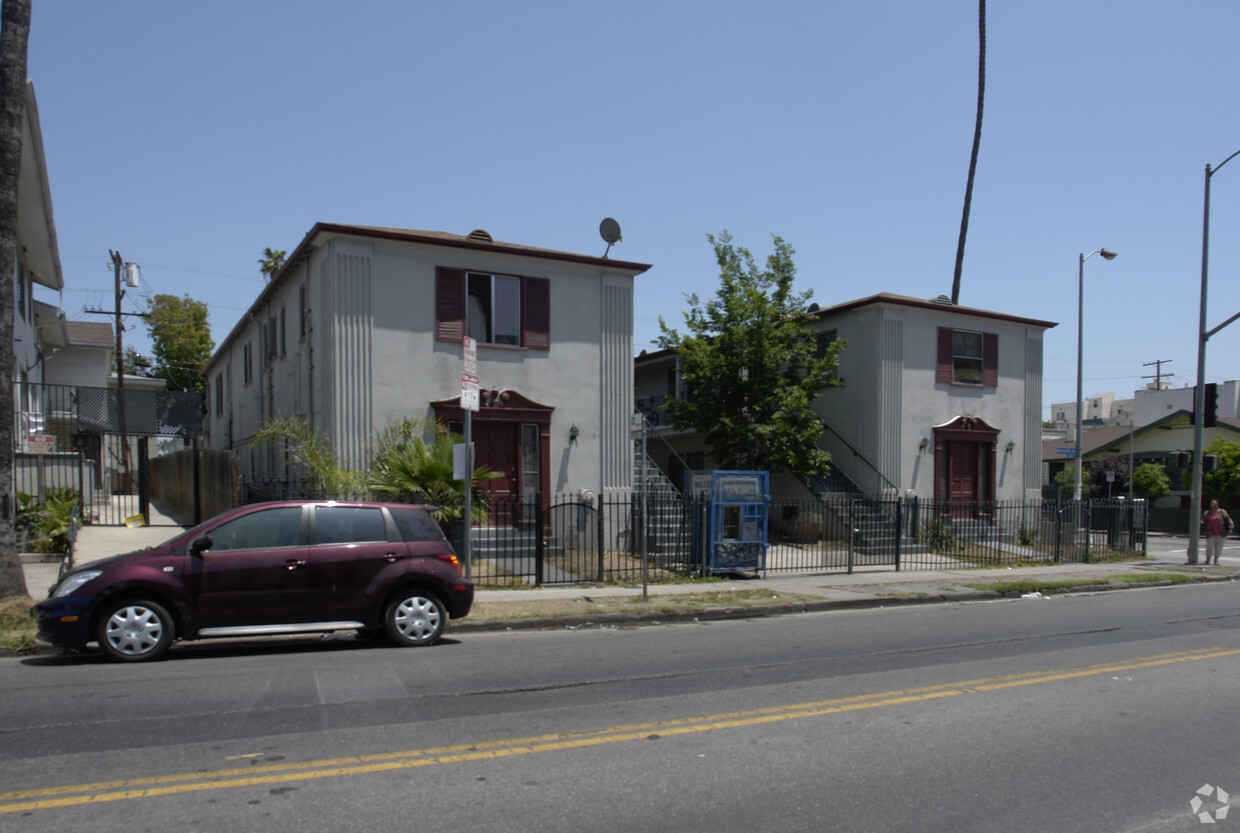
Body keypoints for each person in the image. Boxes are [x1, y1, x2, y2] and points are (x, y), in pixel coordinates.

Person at [1201, 499, 1234, 566]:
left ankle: (1216, 561)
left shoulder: (1222, 512)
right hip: (1210, 533)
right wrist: (1202, 522)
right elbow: (1203, 520)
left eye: (1214, 504)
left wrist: (1231, 528)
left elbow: (1228, 520)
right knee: (1209, 546)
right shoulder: (1207, 513)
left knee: (1219, 547)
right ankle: (1207, 560)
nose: (1213, 505)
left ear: (1218, 505)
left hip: (1221, 533)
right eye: (1212, 504)